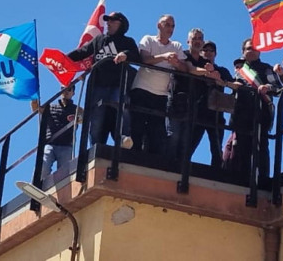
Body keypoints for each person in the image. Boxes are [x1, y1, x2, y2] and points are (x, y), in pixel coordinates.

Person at [66, 11, 140, 148]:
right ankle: (95, 145)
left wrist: (126, 54)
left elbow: (137, 56)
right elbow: (82, 52)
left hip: (118, 84)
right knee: (96, 117)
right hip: (98, 85)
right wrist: (64, 59)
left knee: (122, 107)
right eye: (107, 20)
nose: (108, 23)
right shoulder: (99, 39)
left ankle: (124, 138)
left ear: (121, 24)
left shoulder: (127, 41)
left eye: (112, 20)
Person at [227, 38, 283, 179]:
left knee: (261, 147)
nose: (252, 51)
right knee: (239, 147)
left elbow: (278, 88)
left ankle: (263, 178)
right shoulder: (239, 71)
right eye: (249, 49)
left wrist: (267, 87)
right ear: (243, 52)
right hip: (240, 114)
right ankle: (241, 178)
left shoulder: (266, 68)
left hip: (260, 113)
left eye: (255, 48)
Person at [131, 15, 187, 155]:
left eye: (172, 26)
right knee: (136, 128)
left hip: (161, 94)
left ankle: (150, 163)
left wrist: (177, 64)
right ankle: (133, 158)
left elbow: (185, 69)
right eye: (167, 24)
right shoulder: (148, 39)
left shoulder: (177, 46)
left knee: (156, 133)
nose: (170, 29)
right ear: (158, 25)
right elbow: (144, 59)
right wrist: (164, 57)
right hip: (141, 89)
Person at [169, 29, 226, 165]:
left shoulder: (210, 65)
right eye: (195, 38)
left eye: (200, 38)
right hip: (180, 104)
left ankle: (215, 172)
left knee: (208, 146)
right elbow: (190, 69)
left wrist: (218, 78)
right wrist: (209, 72)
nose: (197, 41)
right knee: (175, 138)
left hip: (202, 111)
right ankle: (173, 167)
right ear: (188, 41)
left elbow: (228, 82)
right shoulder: (184, 55)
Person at [39, 85, 79, 188]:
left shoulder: (76, 110)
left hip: (66, 146)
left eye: (69, 89)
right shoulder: (50, 107)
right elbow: (36, 109)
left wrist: (79, 118)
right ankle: (39, 187)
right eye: (63, 89)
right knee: (43, 167)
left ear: (73, 93)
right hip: (51, 143)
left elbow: (86, 117)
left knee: (64, 175)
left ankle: (61, 192)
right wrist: (33, 97)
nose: (65, 91)